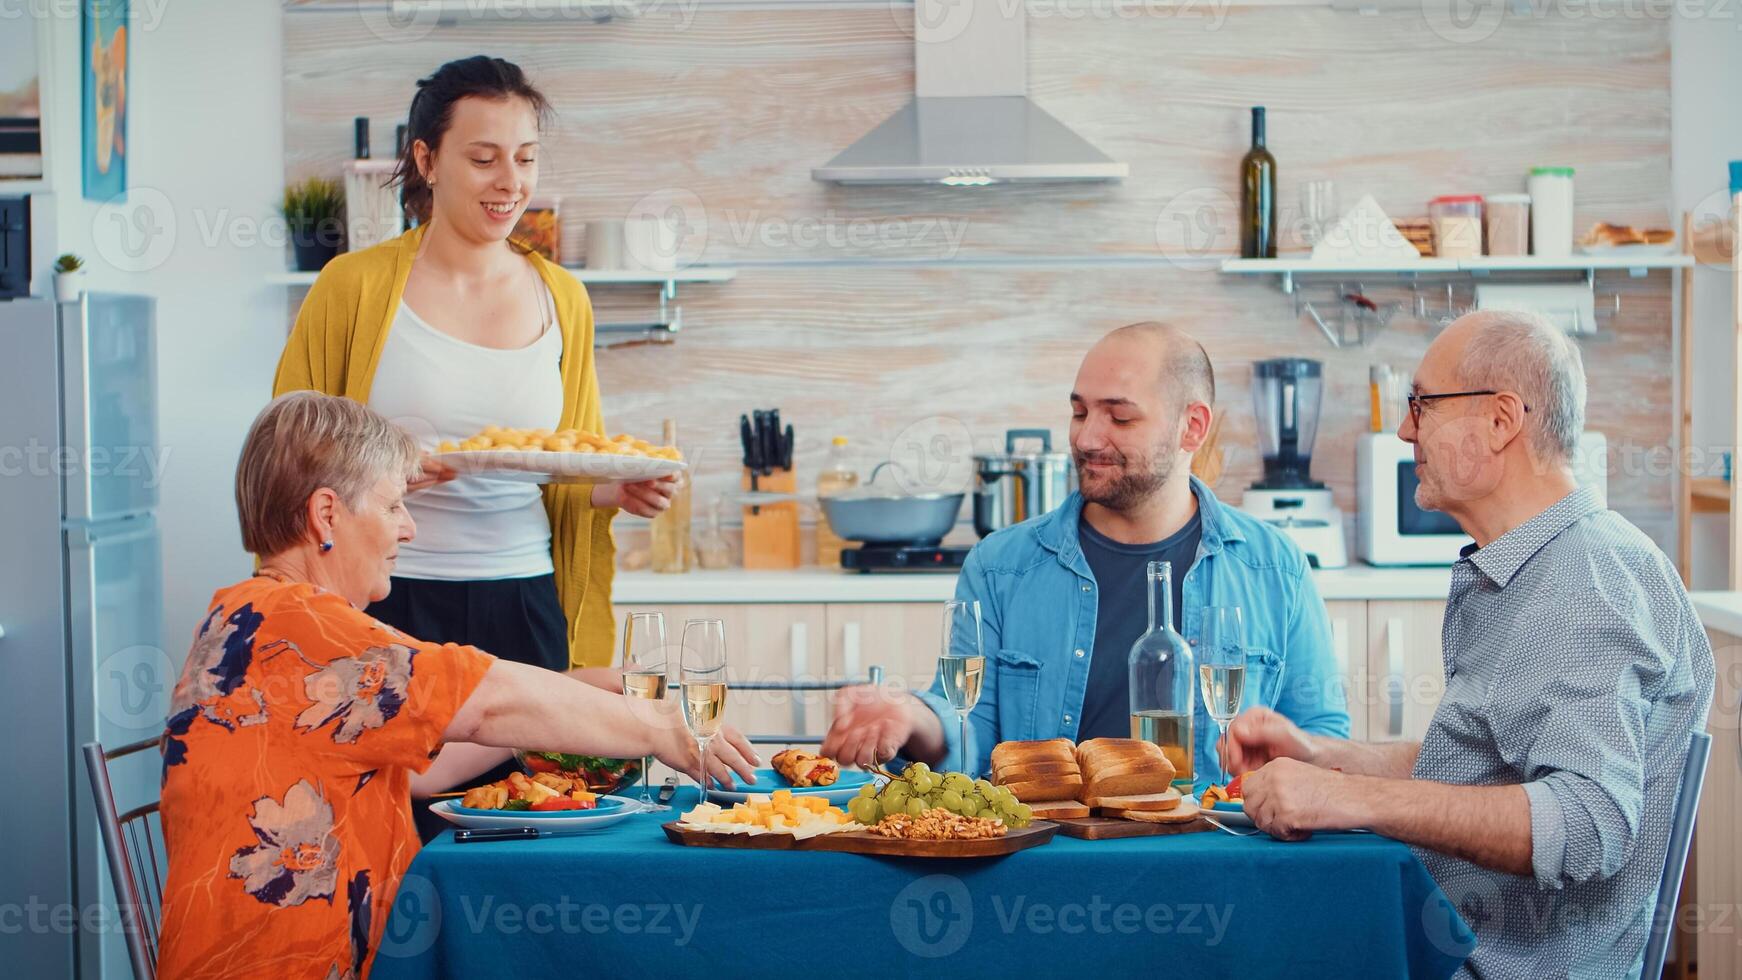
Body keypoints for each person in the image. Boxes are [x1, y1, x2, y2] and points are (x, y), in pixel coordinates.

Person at [155, 392, 758, 978]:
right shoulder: (304, 629)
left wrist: (581, 686)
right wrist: (657, 726)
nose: (409, 529)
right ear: (327, 514)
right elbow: (488, 703)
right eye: (394, 506)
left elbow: (423, 770)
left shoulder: (250, 615)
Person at [1222, 310, 1715, 978]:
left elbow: (1588, 822)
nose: (1403, 430)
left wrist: (1350, 799)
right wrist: (1324, 755)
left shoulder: (1581, 582)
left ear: (1502, 419)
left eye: (1421, 404)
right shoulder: (1535, 566)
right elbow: (1487, 769)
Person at [274, 55, 669, 678]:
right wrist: (381, 477)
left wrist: (610, 488)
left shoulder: (564, 297)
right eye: (484, 159)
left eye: (527, 157)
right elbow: (284, 460)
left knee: (535, 779)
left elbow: (562, 459)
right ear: (427, 161)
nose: (510, 181)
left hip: (525, 597)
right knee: (397, 778)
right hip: (388, 598)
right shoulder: (352, 287)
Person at [822, 322, 1350, 785]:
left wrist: (1279, 764)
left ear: (1192, 426)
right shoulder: (999, 567)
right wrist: (913, 716)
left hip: (1216, 855)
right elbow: (968, 732)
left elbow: (1322, 736)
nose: (1088, 437)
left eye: (1120, 419)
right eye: (1079, 412)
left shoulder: (1275, 567)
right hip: (1047, 865)